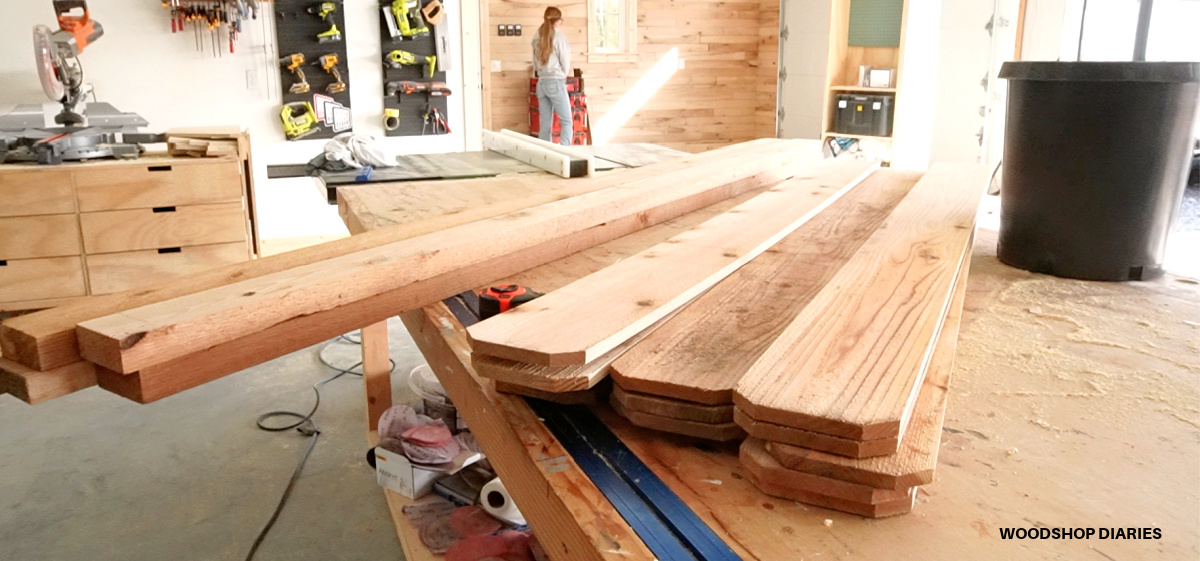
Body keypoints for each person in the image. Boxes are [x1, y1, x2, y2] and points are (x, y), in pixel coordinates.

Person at [532, 7, 572, 146]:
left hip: (541, 82)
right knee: (566, 120)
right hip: (555, 81)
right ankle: (566, 151)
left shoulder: (536, 36)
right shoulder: (559, 38)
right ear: (557, 20)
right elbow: (565, 60)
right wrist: (564, 75)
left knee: (545, 122)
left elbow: (535, 63)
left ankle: (544, 152)